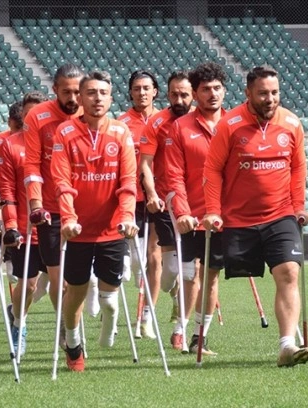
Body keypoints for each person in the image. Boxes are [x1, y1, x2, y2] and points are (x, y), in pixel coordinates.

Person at [202, 65, 308, 367]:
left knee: (289, 272)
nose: (270, 98)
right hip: (238, 220)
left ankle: (287, 345)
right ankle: (198, 332)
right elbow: (212, 169)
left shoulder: (291, 123)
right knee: (211, 276)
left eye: (275, 92)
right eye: (263, 93)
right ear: (248, 93)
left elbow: (298, 167)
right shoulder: (230, 124)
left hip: (281, 215)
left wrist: (298, 205)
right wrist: (212, 210)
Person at [51, 70, 137, 371]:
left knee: (110, 300)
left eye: (102, 93)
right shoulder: (65, 133)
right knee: (74, 291)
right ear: (80, 98)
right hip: (77, 231)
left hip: (112, 228)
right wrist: (68, 218)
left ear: (111, 98)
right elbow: (62, 182)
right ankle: (73, 345)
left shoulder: (121, 133)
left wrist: (126, 216)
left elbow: (127, 183)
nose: (97, 98)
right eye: (90, 93)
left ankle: (108, 325)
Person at [164, 62, 228, 354]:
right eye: (205, 89)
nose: (212, 94)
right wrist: (182, 212)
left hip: (226, 217)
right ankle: (181, 328)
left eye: (217, 88)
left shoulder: (234, 124)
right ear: (195, 94)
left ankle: (199, 337)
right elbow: (174, 174)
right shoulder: (180, 128)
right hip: (192, 216)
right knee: (191, 275)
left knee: (211, 275)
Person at [23, 63, 85, 319]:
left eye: (77, 92)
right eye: (66, 92)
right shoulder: (37, 116)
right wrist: (35, 204)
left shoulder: (89, 113)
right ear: (54, 89)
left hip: (83, 208)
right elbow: (32, 164)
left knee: (80, 280)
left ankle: (71, 325)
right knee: (62, 280)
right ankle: (68, 331)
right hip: (50, 208)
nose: (72, 99)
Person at [138, 71, 194, 338]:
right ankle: (174, 292)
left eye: (184, 94)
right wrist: (150, 194)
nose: (179, 99)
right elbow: (145, 164)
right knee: (171, 270)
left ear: (193, 94)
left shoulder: (203, 120)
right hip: (165, 200)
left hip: (196, 201)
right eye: (174, 94)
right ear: (167, 94)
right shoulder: (157, 122)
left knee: (193, 269)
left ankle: (182, 328)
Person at [0, 93, 48, 356]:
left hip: (54, 225)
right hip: (24, 227)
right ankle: (19, 324)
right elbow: (5, 188)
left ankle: (67, 333)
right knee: (28, 284)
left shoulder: (57, 140)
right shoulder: (11, 145)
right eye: (29, 114)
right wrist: (11, 225)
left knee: (65, 284)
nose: (35, 118)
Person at [117, 70, 167, 333]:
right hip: (131, 197)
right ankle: (110, 298)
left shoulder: (165, 120)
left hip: (158, 197)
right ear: (131, 92)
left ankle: (147, 317)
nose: (142, 93)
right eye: (137, 88)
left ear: (155, 91)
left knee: (154, 258)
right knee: (133, 263)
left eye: (146, 88)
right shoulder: (121, 123)